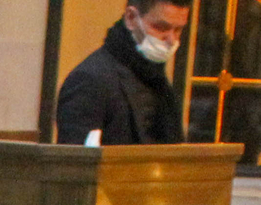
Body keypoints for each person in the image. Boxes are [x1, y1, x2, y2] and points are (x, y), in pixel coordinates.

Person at [54, 0, 187, 146]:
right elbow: (75, 162)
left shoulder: (156, 77)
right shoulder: (89, 79)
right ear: (131, 18)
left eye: (178, 30)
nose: (171, 40)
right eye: (161, 27)